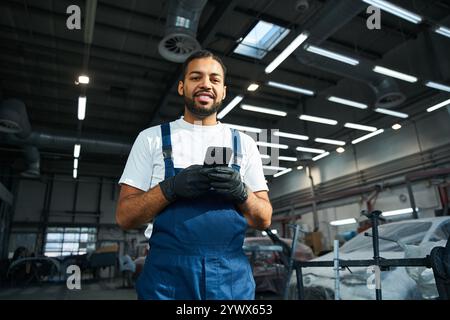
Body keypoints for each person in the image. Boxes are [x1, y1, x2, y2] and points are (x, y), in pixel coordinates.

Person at [116, 50, 272, 300]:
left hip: (230, 280)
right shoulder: (151, 138)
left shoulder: (244, 144)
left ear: (223, 91)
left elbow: (263, 219)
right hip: (167, 281)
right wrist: (169, 189)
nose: (206, 84)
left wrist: (242, 193)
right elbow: (125, 217)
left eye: (214, 79)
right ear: (181, 87)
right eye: (196, 77)